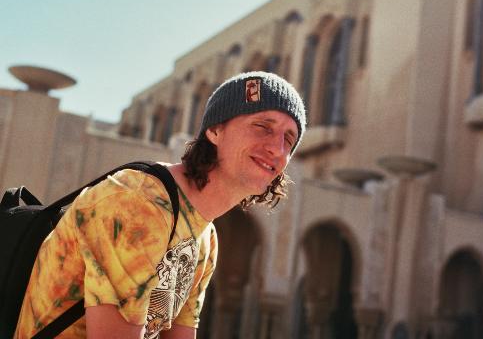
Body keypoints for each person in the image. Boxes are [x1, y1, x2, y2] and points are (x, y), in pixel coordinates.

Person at [14, 71, 306, 339]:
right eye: (262, 126)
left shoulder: (206, 237)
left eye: (289, 139)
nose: (277, 148)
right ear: (215, 130)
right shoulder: (138, 201)